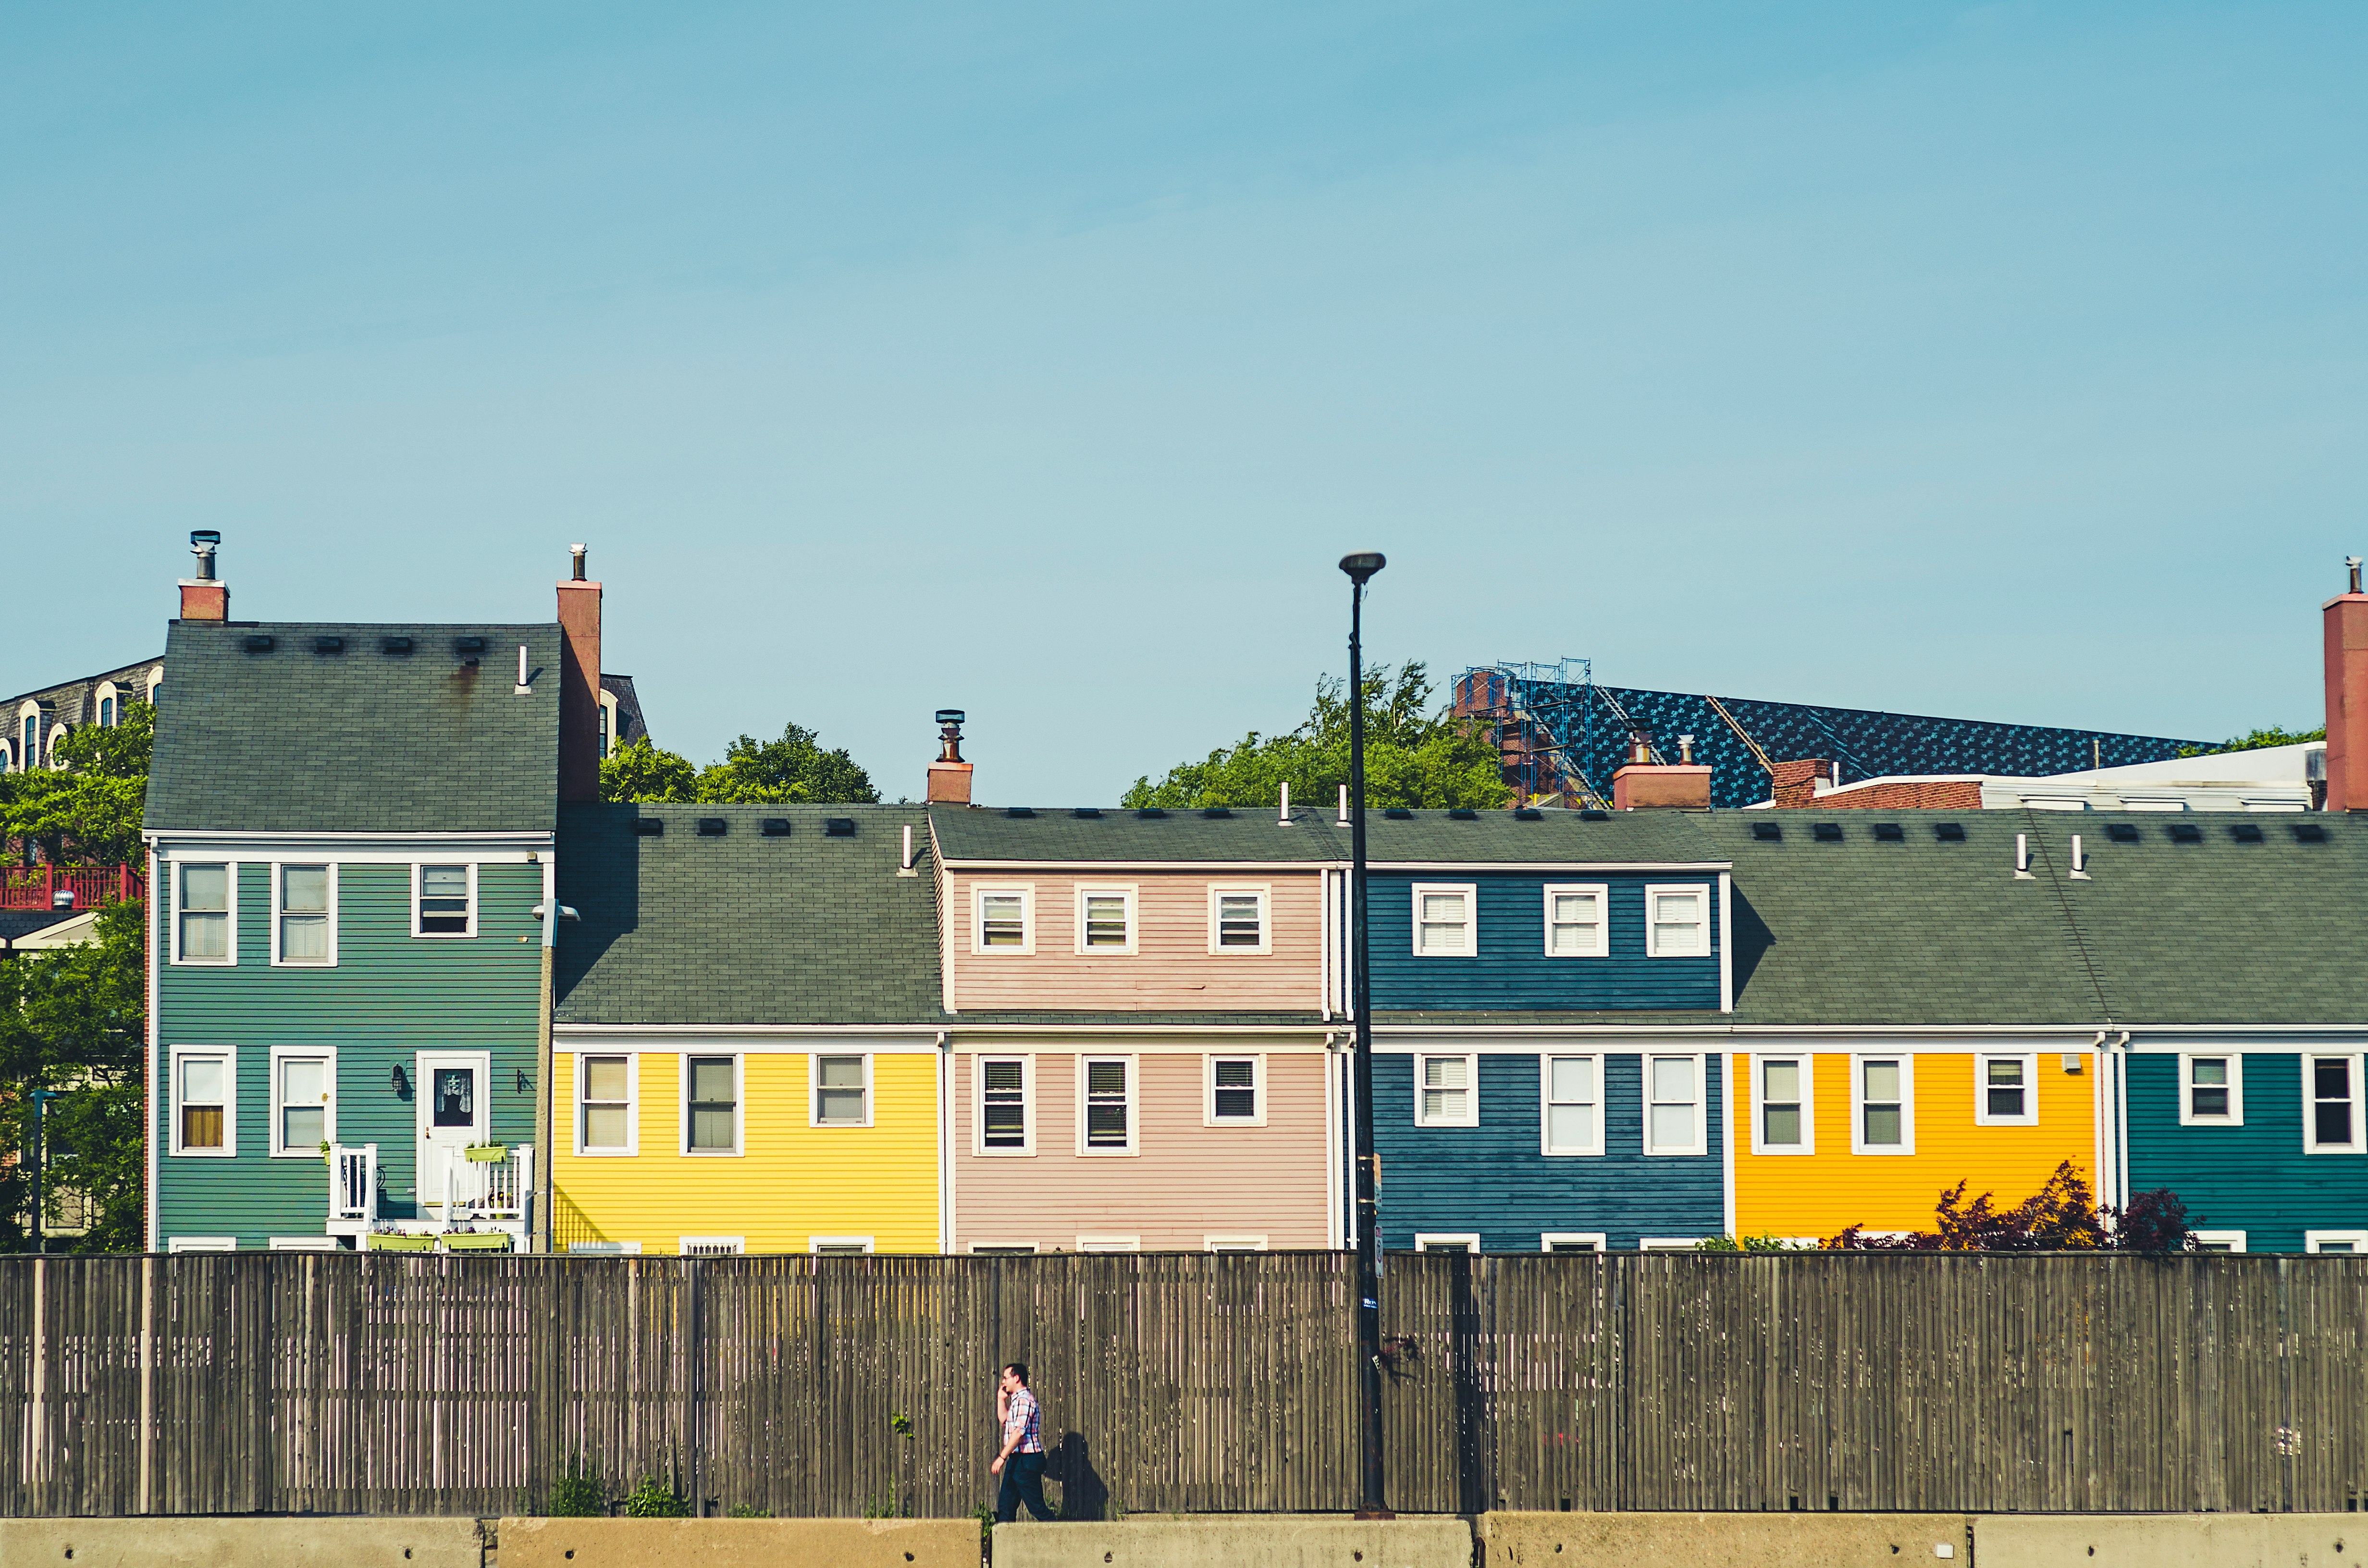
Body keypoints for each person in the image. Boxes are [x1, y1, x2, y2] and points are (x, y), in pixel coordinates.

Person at [991, 1362, 1053, 1523]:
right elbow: (1005, 1420)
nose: (1003, 1382)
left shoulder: (1024, 1401)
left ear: (1016, 1378)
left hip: (1028, 1460)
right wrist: (1000, 1399)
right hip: (1018, 1459)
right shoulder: (1016, 1401)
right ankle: (1005, 1545)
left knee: (1037, 1508)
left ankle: (1062, 1537)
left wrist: (1002, 1457)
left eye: (1006, 1378)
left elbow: (1019, 1432)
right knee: (1006, 1505)